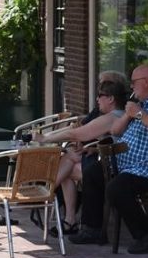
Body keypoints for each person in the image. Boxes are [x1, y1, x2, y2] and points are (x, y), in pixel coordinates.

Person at [70, 63, 148, 254]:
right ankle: (92, 230)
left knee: (117, 188)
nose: (131, 86)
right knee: (92, 172)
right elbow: (115, 130)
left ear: (147, 82)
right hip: (130, 164)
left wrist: (139, 113)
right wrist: (129, 114)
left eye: (134, 82)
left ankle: (145, 233)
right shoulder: (142, 104)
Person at [33, 71, 128, 234]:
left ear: (111, 99)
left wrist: (44, 138)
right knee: (70, 157)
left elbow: (76, 134)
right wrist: (93, 148)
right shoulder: (118, 115)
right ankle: (60, 210)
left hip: (113, 171)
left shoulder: (112, 117)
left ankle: (44, 195)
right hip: (109, 162)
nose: (97, 99)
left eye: (100, 95)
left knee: (69, 165)